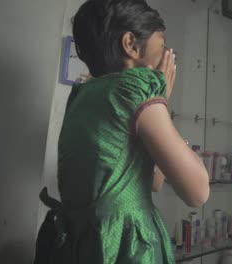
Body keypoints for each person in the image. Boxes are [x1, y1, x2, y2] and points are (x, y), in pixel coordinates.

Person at [34, 0, 209, 263]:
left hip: (82, 242)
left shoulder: (83, 94)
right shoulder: (134, 90)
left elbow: (153, 182)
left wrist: (158, 105)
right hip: (123, 246)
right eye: (161, 46)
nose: (166, 56)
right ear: (131, 45)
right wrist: (156, 95)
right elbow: (197, 193)